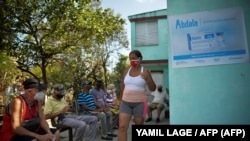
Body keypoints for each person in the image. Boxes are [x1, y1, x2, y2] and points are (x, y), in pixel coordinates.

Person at [118, 49, 156, 141]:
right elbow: (123, 86)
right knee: (122, 127)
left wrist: (147, 79)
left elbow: (153, 88)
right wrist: (120, 101)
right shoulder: (126, 71)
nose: (132, 61)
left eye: (134, 58)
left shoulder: (145, 72)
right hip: (125, 103)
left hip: (140, 104)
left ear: (140, 59)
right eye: (130, 59)